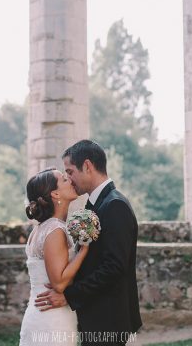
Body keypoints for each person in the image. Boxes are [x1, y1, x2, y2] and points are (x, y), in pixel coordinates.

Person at [35, 140, 142, 346]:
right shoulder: (97, 203)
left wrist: (70, 295)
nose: (68, 178)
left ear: (87, 166)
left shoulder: (115, 205)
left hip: (108, 319)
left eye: (70, 171)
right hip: (96, 315)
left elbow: (114, 267)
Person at [19, 167, 89, 346]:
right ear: (55, 194)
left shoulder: (42, 228)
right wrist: (84, 250)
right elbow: (58, 283)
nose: (70, 180)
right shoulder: (55, 229)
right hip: (51, 319)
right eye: (64, 180)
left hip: (42, 314)